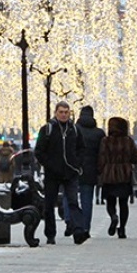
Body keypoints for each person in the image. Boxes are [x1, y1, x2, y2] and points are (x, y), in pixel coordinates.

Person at [34, 101, 87, 244]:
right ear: (56, 113)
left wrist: (77, 163)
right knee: (49, 204)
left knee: (73, 202)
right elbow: (39, 151)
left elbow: (82, 148)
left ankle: (78, 232)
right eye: (61, 112)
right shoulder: (47, 129)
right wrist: (49, 164)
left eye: (66, 112)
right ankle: (50, 235)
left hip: (71, 172)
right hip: (52, 174)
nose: (64, 115)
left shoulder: (74, 130)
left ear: (69, 113)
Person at [98, 116, 137, 238]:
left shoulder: (105, 141)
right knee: (123, 203)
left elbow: (101, 158)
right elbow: (136, 158)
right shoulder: (128, 141)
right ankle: (122, 229)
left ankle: (113, 216)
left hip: (109, 174)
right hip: (124, 175)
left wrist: (100, 171)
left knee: (110, 201)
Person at [75, 105, 105, 236]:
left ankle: (72, 222)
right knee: (87, 200)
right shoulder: (99, 133)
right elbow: (102, 154)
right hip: (91, 170)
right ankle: (85, 227)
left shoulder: (74, 130)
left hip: (75, 169)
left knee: (70, 198)